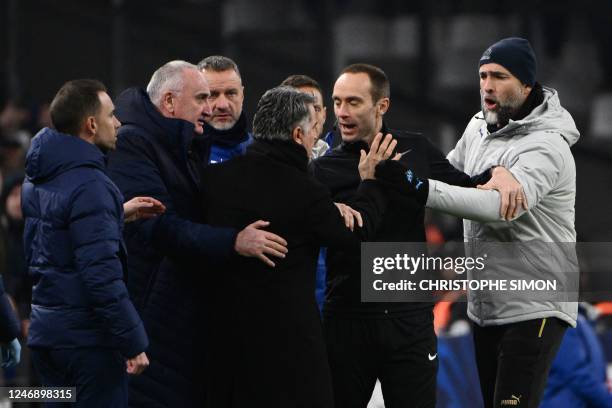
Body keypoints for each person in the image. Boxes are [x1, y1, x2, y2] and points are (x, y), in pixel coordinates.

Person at [309, 63, 521, 408]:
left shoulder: (416, 148)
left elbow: (466, 187)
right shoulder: (323, 170)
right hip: (348, 321)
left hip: (410, 322)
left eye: (353, 102)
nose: (342, 113)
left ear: (382, 106)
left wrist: (499, 172)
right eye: (336, 102)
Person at [200, 86, 398, 408]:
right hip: (289, 347)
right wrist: (370, 184)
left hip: (226, 342)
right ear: (296, 135)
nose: (314, 140)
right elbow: (354, 238)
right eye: (312, 131)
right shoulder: (304, 191)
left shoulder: (215, 180)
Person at [106, 61, 288, 407]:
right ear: (170, 103)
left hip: (181, 317)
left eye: (224, 94)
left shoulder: (182, 146)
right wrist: (234, 241)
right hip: (153, 315)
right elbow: (159, 226)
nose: (210, 108)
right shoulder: (134, 145)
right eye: (203, 97)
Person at [424, 37, 580, 407]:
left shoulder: (548, 146)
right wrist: (493, 170)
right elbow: (450, 174)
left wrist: (418, 190)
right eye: (482, 75)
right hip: (487, 303)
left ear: (527, 85)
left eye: (499, 76)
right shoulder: (479, 125)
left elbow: (497, 208)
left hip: (536, 302)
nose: (487, 86)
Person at [22, 79, 163, 407]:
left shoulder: (38, 176)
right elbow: (100, 275)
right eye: (111, 115)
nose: (117, 123)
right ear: (90, 124)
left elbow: (55, 245)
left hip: (48, 338)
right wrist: (133, 340)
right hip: (87, 345)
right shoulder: (92, 186)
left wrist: (115, 214)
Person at [197, 55, 252, 163]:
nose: (223, 105)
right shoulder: (180, 155)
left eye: (231, 93)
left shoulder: (265, 153)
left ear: (242, 95)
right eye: (212, 95)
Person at [280, 74, 333, 158]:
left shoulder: (336, 165)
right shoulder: (260, 161)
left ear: (324, 115)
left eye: (316, 109)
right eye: (301, 108)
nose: (311, 118)